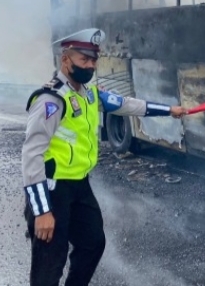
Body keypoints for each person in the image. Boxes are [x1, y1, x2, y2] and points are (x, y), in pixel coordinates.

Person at [21, 28, 187, 286]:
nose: (90, 66)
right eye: (83, 60)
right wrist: (42, 210)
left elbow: (127, 104)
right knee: (49, 264)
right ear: (66, 60)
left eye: (93, 60)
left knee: (92, 243)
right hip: (53, 189)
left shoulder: (89, 94)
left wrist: (169, 110)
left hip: (79, 185)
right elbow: (31, 156)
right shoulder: (51, 100)